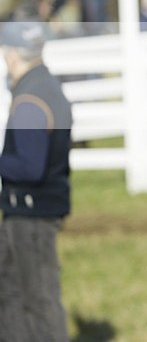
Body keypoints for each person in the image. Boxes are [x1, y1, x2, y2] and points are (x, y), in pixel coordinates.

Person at [0, 21, 72, 342]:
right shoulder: (47, 87)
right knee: (17, 295)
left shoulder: (29, 98)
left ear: (13, 54)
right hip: (40, 210)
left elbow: (29, 167)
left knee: (35, 299)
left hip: (29, 215)